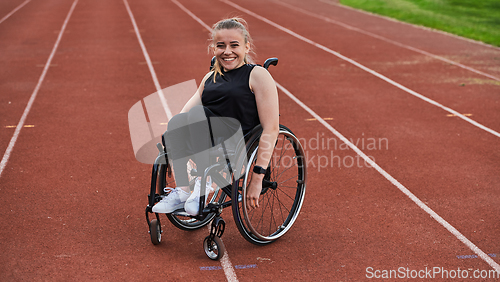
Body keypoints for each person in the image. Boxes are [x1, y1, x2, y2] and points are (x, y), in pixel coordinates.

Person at [152, 17, 279, 216]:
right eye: (221, 46)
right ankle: (184, 191)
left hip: (237, 141)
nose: (227, 51)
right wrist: (171, 145)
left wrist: (257, 177)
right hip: (205, 138)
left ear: (246, 47)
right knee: (177, 121)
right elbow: (183, 115)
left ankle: (203, 186)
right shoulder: (209, 77)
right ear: (214, 49)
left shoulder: (257, 75)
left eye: (234, 45)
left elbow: (271, 128)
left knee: (197, 114)